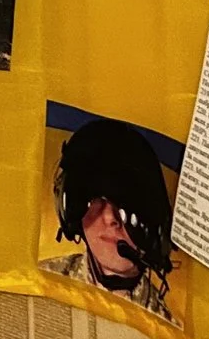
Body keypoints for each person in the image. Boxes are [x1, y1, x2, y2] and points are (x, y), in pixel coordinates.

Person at [40, 117, 176, 320]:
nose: (110, 217)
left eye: (127, 203)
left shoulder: (165, 324)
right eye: (94, 198)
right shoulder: (41, 282)